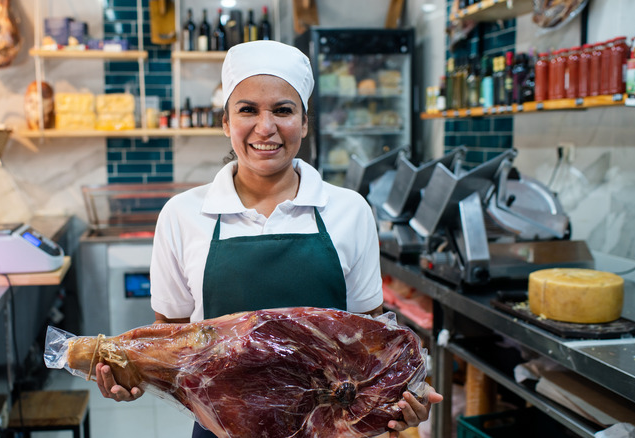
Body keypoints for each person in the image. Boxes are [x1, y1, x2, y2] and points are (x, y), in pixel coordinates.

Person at [96, 40, 443, 437]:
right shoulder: (182, 215)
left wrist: (400, 401)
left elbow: (371, 343)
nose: (266, 127)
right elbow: (171, 344)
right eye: (247, 110)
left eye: (283, 110)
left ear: (305, 122)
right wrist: (131, 376)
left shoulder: (349, 211)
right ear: (226, 122)